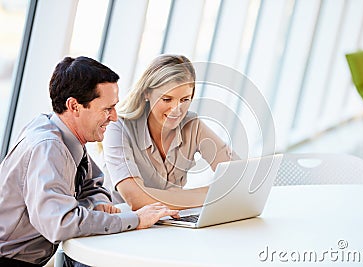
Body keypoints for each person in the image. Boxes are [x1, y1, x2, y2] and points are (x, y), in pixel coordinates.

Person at [0, 56, 178, 267]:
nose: (113, 117)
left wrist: (97, 204)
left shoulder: (66, 137)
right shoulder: (47, 147)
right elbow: (62, 223)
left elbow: (95, 186)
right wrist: (136, 220)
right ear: (74, 106)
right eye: (106, 109)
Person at [102, 54, 239, 211]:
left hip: (170, 224)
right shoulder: (118, 127)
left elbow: (237, 179)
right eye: (167, 99)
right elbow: (135, 199)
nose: (176, 110)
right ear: (147, 93)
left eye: (185, 100)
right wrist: (210, 194)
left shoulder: (192, 126)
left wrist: (173, 198)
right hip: (123, 225)